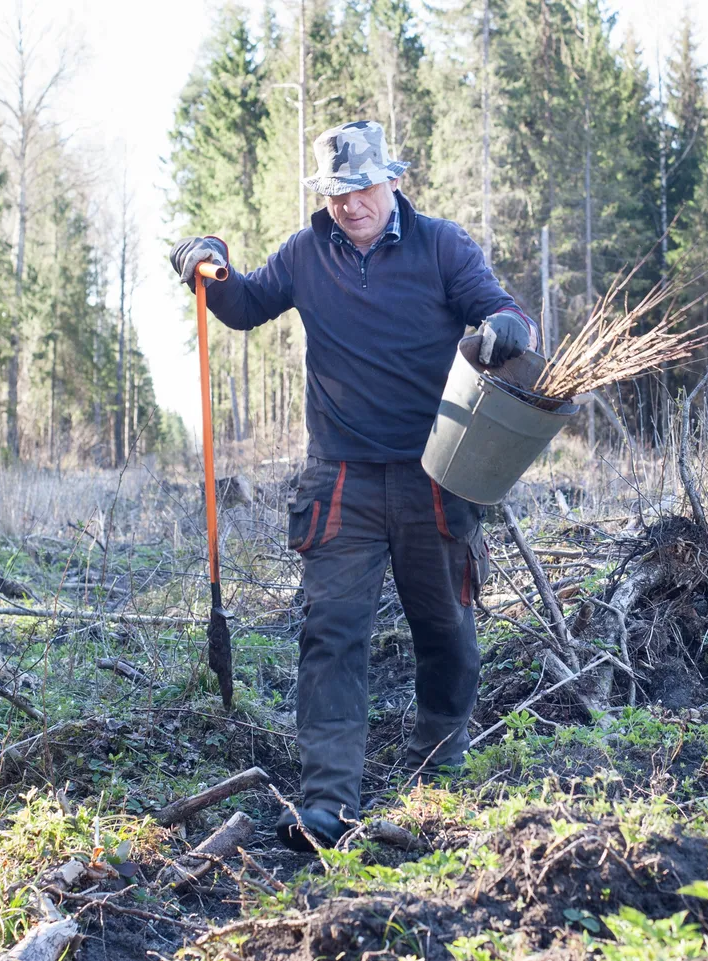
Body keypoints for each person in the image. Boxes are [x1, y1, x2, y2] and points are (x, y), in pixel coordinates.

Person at [169, 119, 535, 851]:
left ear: (392, 181)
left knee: (447, 633)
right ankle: (326, 801)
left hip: (436, 470)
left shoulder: (442, 246)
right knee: (331, 636)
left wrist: (504, 331)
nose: (351, 204)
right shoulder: (307, 254)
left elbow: (504, 310)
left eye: (363, 187)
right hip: (340, 479)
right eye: (338, 192)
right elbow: (243, 304)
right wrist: (203, 260)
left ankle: (440, 773)